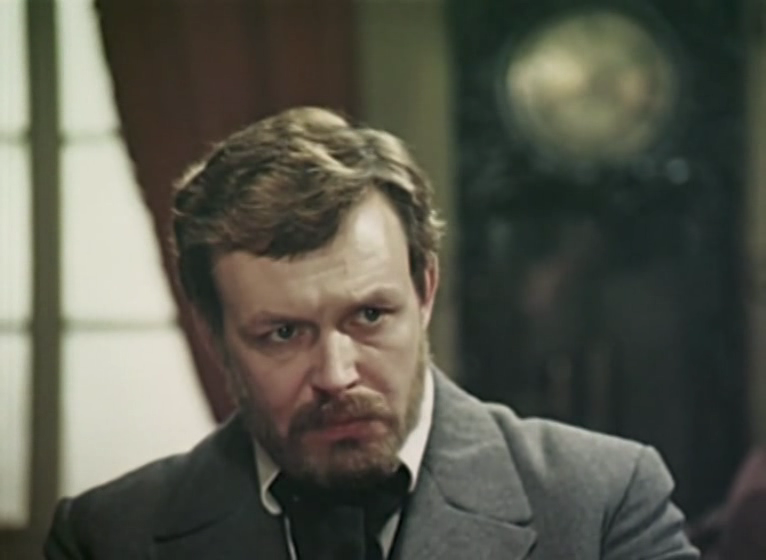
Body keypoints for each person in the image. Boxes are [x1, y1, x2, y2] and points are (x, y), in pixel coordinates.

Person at [44, 107, 698, 559]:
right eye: (283, 334)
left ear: (425, 290)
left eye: (369, 317)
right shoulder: (108, 537)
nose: (336, 375)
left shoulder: (603, 504)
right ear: (214, 334)